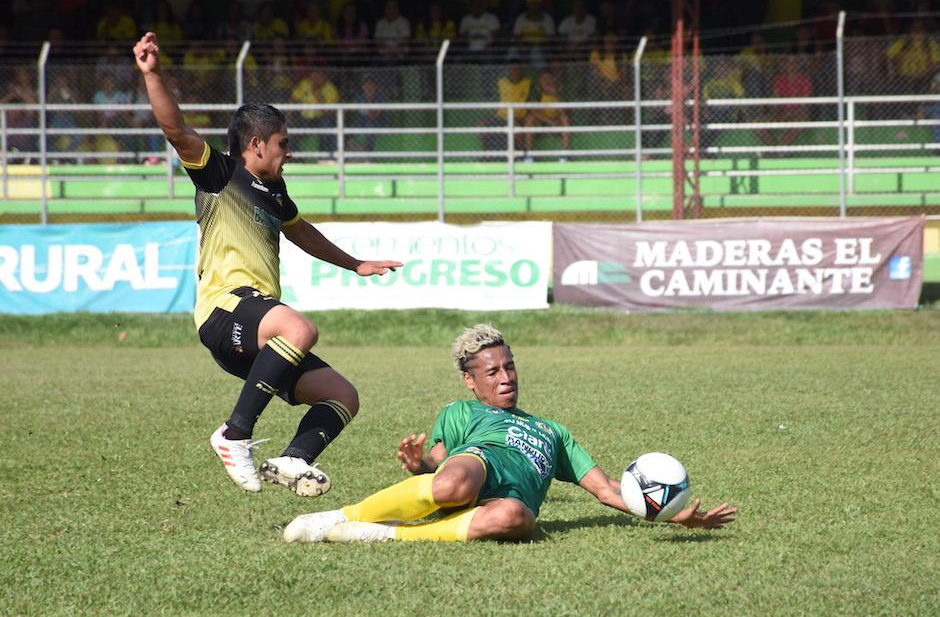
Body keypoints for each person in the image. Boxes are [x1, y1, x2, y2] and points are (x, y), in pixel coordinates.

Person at [132, 32, 402, 496]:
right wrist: (153, 75)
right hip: (224, 310)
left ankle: (294, 460)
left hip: (255, 327)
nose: (289, 150)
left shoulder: (276, 192)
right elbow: (176, 131)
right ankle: (233, 434)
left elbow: (300, 231)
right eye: (283, 142)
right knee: (299, 329)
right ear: (255, 144)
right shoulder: (220, 173)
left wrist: (355, 264)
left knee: (343, 396)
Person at [284, 324, 737, 543]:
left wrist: (668, 514)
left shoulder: (553, 431)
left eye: (510, 366)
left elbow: (607, 490)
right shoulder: (463, 411)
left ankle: (386, 534)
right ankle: (340, 517)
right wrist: (419, 463)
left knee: (518, 521)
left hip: (509, 500)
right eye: (493, 371)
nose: (505, 377)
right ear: (471, 381)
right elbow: (439, 462)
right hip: (477, 465)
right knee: (454, 484)